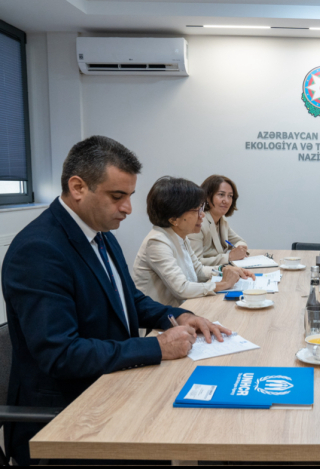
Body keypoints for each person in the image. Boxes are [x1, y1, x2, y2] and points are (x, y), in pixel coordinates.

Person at [1, 136, 230, 465]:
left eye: (130, 196)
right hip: (67, 418)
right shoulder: (39, 250)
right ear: (78, 187)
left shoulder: (100, 234)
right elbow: (61, 354)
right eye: (117, 196)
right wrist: (156, 347)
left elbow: (129, 300)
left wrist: (177, 316)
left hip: (112, 386)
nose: (128, 208)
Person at [133, 177, 255, 308]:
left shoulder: (180, 236)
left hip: (182, 308)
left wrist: (224, 269)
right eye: (197, 210)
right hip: (160, 317)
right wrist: (223, 284)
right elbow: (182, 289)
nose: (202, 215)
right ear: (174, 219)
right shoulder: (157, 242)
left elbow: (198, 271)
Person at [189, 175, 248, 266]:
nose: (226, 201)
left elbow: (240, 242)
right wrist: (229, 257)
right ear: (207, 197)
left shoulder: (221, 220)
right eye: (221, 195)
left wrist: (238, 250)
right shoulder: (198, 223)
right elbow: (195, 264)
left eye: (230, 196)